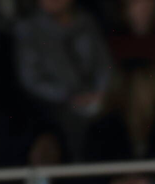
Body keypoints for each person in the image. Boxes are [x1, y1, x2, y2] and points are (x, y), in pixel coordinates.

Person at [13, 0, 112, 160]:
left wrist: (99, 92)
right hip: (50, 106)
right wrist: (68, 96)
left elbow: (103, 64)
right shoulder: (28, 28)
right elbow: (30, 79)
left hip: (93, 99)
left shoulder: (86, 22)